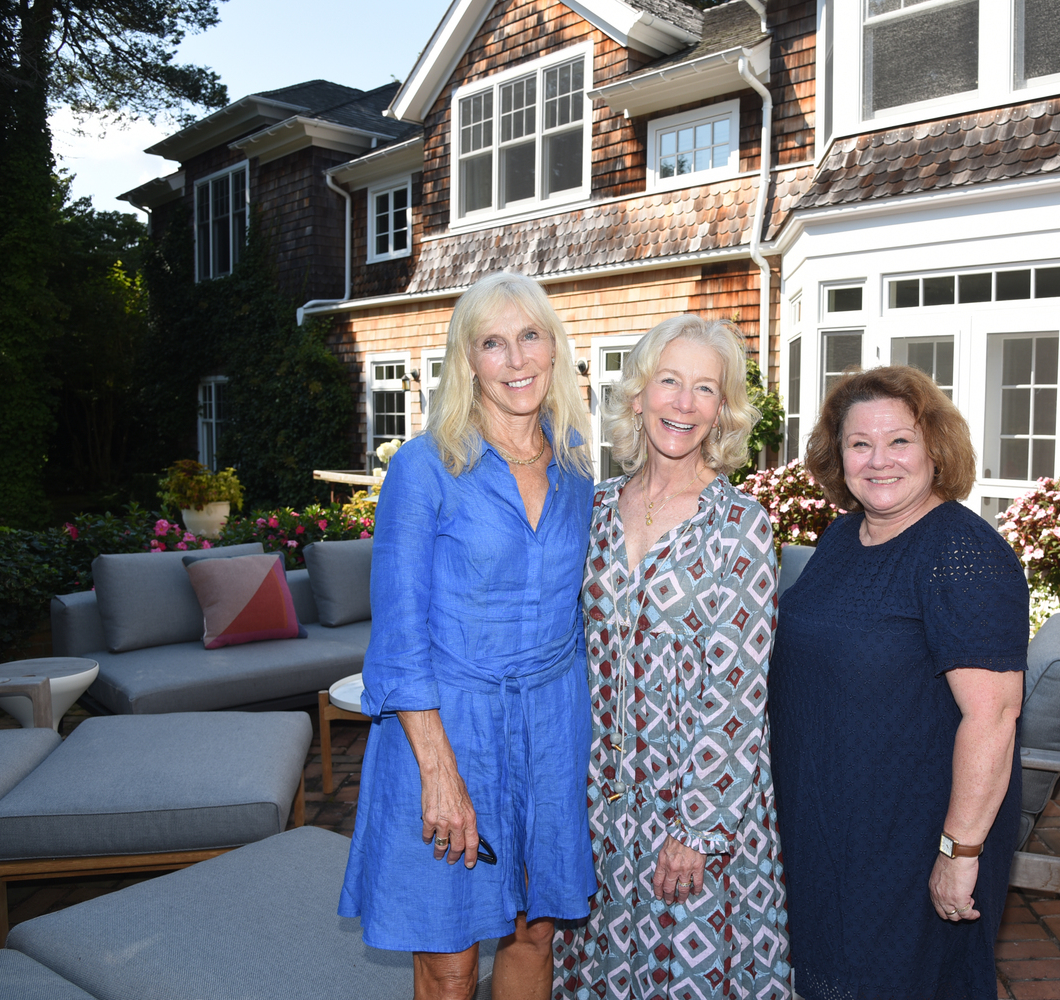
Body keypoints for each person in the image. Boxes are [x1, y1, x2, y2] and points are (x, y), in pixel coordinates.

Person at [339, 272, 599, 1000]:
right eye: (493, 342)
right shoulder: (427, 467)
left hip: (551, 729)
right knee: (449, 959)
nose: (515, 360)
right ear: (468, 360)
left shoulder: (576, 464)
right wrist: (439, 772)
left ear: (553, 350)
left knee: (534, 932)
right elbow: (398, 637)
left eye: (529, 337)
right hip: (448, 728)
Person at [768, 365, 1028, 1000]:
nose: (879, 461)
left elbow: (993, 718)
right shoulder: (842, 537)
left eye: (899, 441)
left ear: (934, 449)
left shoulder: (962, 554)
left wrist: (959, 853)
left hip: (912, 838)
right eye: (860, 444)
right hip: (833, 826)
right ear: (839, 455)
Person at [553, 316, 791, 1000]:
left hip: (695, 800)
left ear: (723, 410)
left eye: (704, 389)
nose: (683, 404)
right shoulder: (593, 509)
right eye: (669, 381)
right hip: (598, 799)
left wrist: (698, 828)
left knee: (685, 972)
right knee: (597, 965)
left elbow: (738, 695)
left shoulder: (740, 525)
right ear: (638, 395)